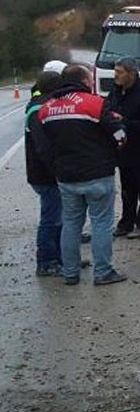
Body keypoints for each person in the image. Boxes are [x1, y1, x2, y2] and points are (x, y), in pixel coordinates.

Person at [31, 64, 128, 286]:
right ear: (85, 81)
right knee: (101, 223)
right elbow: (119, 134)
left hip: (66, 177)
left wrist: (56, 167)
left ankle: (70, 272)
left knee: (71, 223)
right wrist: (116, 151)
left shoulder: (46, 109)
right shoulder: (95, 104)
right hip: (98, 174)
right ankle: (103, 271)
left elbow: (43, 146)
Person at [106, 57, 140, 239]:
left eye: (120, 72)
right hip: (123, 150)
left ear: (132, 73)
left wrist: (125, 122)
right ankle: (126, 222)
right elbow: (108, 109)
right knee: (127, 190)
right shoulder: (116, 92)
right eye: (115, 71)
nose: (116, 76)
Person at [26, 70, 66, 277]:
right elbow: (43, 146)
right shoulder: (38, 109)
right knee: (51, 219)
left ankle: (61, 258)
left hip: (45, 171)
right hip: (44, 173)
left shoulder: (40, 104)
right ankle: (46, 260)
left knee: (58, 217)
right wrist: (56, 168)